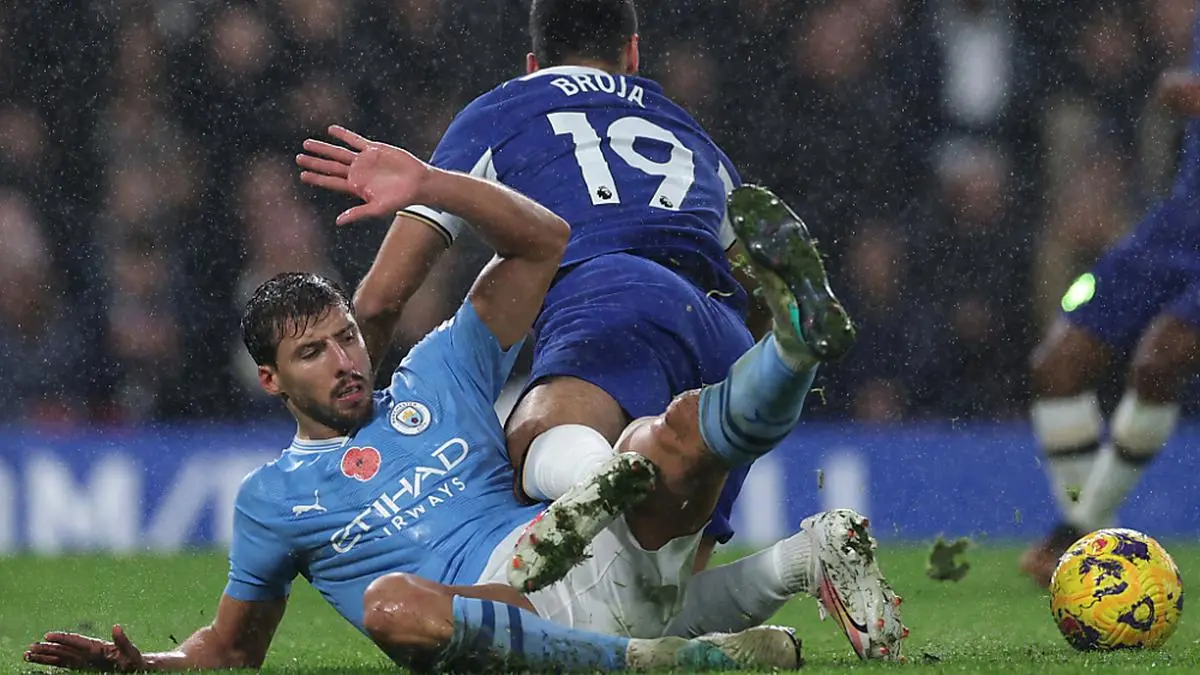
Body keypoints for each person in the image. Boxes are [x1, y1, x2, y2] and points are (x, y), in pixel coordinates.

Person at [23, 132, 901, 672]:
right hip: (498, 622)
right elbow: (231, 649)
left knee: (660, 434)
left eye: (345, 335)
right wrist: (149, 666)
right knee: (393, 604)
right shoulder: (273, 499)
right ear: (271, 380)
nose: (344, 360)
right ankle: (733, 609)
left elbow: (544, 242)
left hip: (583, 552)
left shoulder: (438, 370)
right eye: (312, 353)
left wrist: (432, 186)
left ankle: (792, 342)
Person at [313, 0, 795, 578]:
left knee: (531, 452)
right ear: (632, 54)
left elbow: (379, 300)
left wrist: (340, 439)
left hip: (607, 297)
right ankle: (808, 556)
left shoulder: (502, 110)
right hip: (722, 333)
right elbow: (759, 292)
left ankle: (598, 472)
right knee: (663, 590)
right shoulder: (690, 134)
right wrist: (736, 369)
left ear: (533, 63)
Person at [1020, 41, 1200, 586]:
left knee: (1160, 359)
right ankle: (1093, 537)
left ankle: (1081, 538)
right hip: (1180, 221)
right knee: (1057, 365)